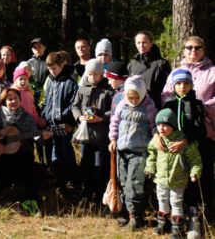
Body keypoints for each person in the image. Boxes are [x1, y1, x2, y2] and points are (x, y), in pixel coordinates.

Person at [161, 36, 215, 237]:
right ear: (183, 50)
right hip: (175, 135)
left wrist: (201, 108)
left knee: (201, 176)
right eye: (189, 47)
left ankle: (198, 218)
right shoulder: (175, 72)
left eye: (198, 47)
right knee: (178, 176)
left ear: (204, 49)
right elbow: (166, 96)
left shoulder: (212, 72)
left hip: (205, 132)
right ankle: (177, 218)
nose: (193, 50)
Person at [0, 88, 52, 215]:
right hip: (2, 155)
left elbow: (36, 137)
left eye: (16, 98)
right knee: (8, 161)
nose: (13, 101)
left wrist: (42, 137)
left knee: (29, 167)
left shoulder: (28, 118)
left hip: (23, 153)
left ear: (20, 100)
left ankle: (30, 201)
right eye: (10, 99)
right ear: (4, 101)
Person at [160, 69, 206, 238]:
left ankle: (194, 221)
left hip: (189, 151)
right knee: (175, 188)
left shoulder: (196, 104)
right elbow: (161, 125)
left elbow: (200, 129)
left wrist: (185, 141)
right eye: (178, 83)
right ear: (173, 86)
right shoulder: (168, 104)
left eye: (186, 83)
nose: (182, 86)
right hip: (172, 155)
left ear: (191, 85)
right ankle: (176, 224)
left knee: (193, 186)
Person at [108, 75, 158, 230]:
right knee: (123, 181)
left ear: (142, 94)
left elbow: (154, 126)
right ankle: (126, 213)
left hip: (140, 152)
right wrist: (113, 139)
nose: (134, 100)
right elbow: (114, 123)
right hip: (122, 151)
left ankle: (135, 216)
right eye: (131, 97)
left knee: (135, 183)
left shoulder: (149, 106)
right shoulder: (122, 104)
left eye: (137, 97)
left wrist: (157, 137)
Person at [145, 108, 202, 238]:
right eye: (159, 125)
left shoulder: (182, 142)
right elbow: (152, 156)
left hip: (178, 180)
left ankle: (178, 228)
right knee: (162, 200)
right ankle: (162, 224)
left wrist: (195, 173)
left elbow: (195, 159)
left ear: (173, 126)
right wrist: (149, 168)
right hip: (161, 179)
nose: (161, 128)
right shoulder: (156, 141)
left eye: (165, 125)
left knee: (176, 202)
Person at [72, 59, 114, 202]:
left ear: (102, 74)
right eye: (90, 74)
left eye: (96, 75)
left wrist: (101, 118)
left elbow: (114, 111)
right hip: (85, 136)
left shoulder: (108, 91)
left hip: (101, 137)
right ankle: (87, 193)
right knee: (86, 166)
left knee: (100, 167)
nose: (93, 77)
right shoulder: (82, 89)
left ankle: (100, 194)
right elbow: (75, 106)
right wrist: (79, 118)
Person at [42, 51, 79, 191]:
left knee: (67, 152)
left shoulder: (70, 82)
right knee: (54, 153)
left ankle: (74, 181)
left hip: (65, 124)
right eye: (50, 69)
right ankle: (60, 182)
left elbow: (73, 103)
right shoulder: (50, 81)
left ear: (62, 66)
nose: (52, 71)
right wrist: (44, 114)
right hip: (51, 124)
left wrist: (63, 116)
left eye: (55, 68)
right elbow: (46, 100)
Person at [127, 30, 171, 109]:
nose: (141, 45)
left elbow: (167, 89)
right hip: (135, 107)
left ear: (151, 43)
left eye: (144, 42)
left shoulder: (161, 64)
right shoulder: (132, 65)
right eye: (138, 43)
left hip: (154, 107)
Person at [27, 38, 48, 103]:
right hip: (31, 95)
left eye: (39, 47)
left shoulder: (49, 62)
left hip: (46, 94)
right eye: (35, 48)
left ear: (44, 47)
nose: (37, 49)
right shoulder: (28, 63)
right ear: (32, 50)